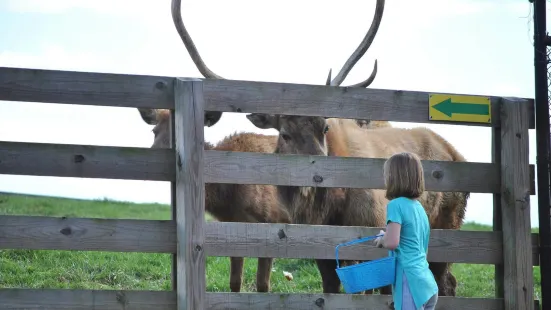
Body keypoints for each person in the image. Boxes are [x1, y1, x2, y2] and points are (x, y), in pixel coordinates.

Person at [374, 152, 439, 310]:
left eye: (386, 175)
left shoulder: (396, 205)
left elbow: (392, 242)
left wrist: (382, 239)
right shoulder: (419, 208)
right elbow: (409, 238)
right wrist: (387, 235)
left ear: (393, 178)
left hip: (410, 283)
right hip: (427, 283)